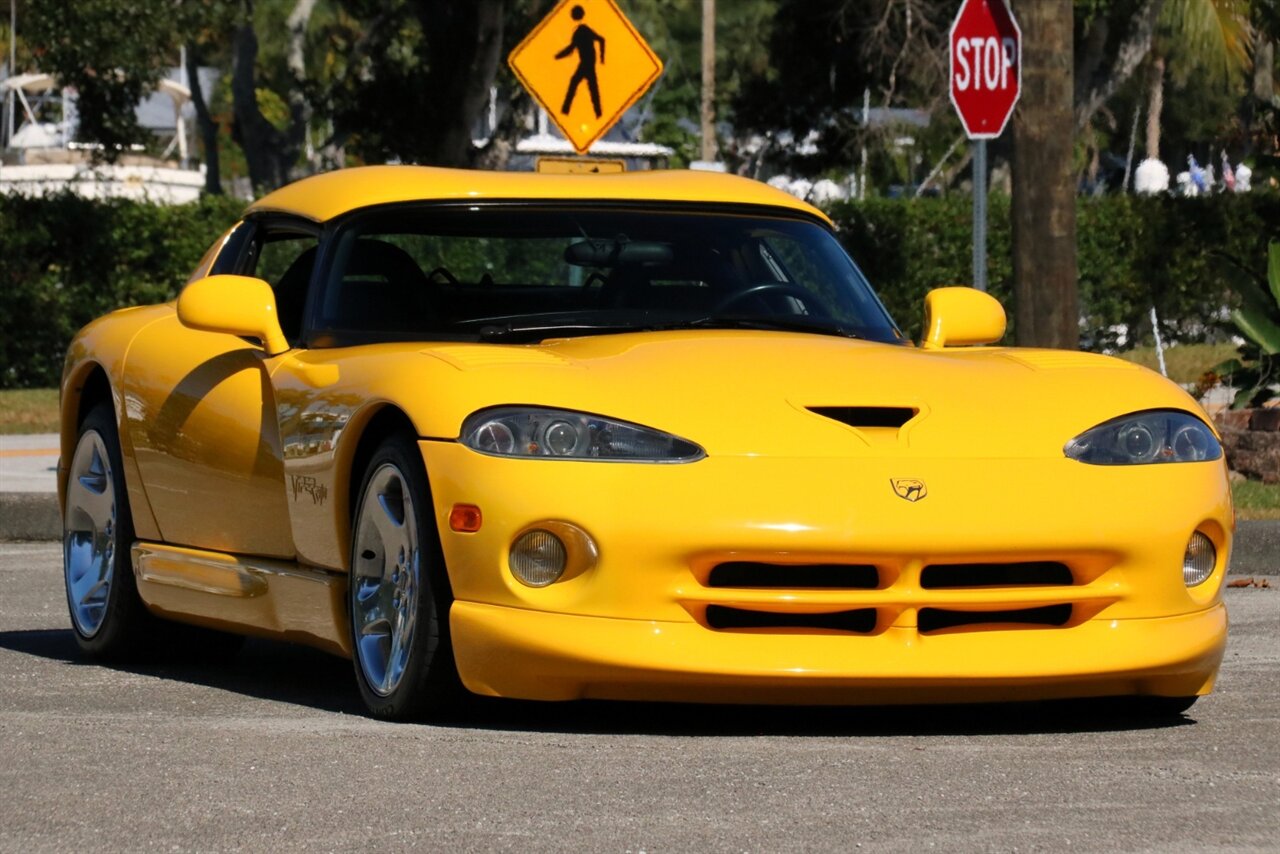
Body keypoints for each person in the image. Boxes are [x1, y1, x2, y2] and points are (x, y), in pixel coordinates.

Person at [556, 5, 606, 119]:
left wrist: (602, 57)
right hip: (586, 63)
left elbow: (601, 39)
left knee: (579, 85)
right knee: (590, 87)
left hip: (587, 63)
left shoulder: (582, 30)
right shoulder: (580, 30)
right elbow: (571, 50)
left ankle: (565, 110)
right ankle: (597, 113)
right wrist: (557, 56)